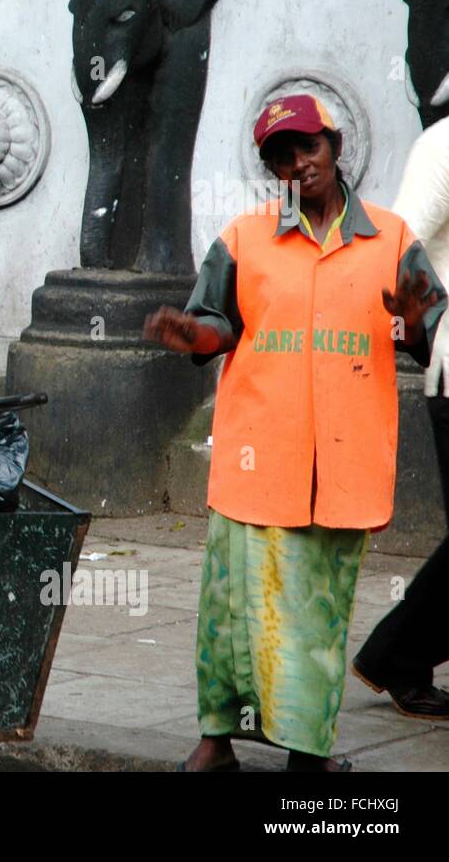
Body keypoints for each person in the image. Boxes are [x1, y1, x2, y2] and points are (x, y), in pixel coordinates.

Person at [144, 94, 445, 772]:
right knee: (229, 614)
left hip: (339, 470)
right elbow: (218, 324)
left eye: (307, 147)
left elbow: (418, 339)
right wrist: (192, 332)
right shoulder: (244, 239)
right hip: (256, 461)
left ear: (334, 146)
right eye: (281, 156)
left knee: (313, 621)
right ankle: (215, 742)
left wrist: (411, 320)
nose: (297, 163)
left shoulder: (392, 239)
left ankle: (307, 756)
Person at [351, 115, 449, 719]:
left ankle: (398, 654)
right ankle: (398, 654)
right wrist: (425, 330)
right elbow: (398, 251)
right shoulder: (442, 147)